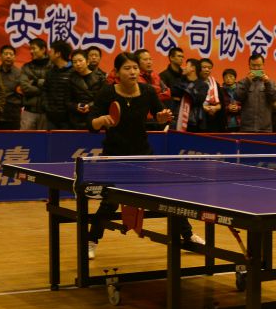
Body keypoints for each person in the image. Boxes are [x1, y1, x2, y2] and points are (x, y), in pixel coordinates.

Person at [85, 52, 202, 259]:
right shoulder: (107, 92)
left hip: (142, 155)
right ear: (117, 72)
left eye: (135, 68)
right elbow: (91, 124)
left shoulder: (147, 91)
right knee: (110, 203)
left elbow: (159, 116)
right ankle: (91, 240)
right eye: (127, 68)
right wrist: (101, 120)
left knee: (166, 196)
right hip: (115, 156)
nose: (132, 72)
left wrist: (162, 117)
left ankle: (188, 235)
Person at [234, 53, 276, 132]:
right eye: (253, 66)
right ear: (249, 66)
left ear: (263, 65)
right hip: (246, 128)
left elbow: (275, 98)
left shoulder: (270, 82)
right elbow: (237, 96)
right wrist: (247, 82)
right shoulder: (243, 82)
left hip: (265, 128)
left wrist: (267, 83)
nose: (256, 68)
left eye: (259, 65)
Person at [67, 48, 104, 129]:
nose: (78, 64)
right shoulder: (71, 79)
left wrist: (90, 106)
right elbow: (67, 101)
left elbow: (103, 100)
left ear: (87, 62)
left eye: (80, 61)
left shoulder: (100, 78)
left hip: (95, 118)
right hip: (76, 120)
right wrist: (76, 106)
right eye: (74, 62)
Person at [20, 38, 50, 130]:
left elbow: (52, 86)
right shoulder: (26, 67)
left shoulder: (53, 66)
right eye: (30, 49)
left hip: (47, 112)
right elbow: (25, 87)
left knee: (44, 139)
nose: (31, 51)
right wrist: (44, 88)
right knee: (25, 138)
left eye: (33, 48)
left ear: (43, 49)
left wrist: (35, 82)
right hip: (29, 111)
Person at [43, 40, 73, 129]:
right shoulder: (50, 72)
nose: (49, 54)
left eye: (51, 51)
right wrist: (46, 107)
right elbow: (45, 91)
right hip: (51, 118)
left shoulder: (73, 71)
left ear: (58, 54)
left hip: (68, 119)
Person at [172, 57, 208, 131]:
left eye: (186, 65)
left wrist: (187, 92)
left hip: (195, 122)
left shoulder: (203, 85)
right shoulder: (179, 81)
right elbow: (174, 92)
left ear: (193, 68)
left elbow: (199, 99)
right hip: (178, 119)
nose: (184, 68)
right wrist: (190, 93)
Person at [0, 45, 24, 129]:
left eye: (11, 54)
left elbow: (23, 94)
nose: (8, 56)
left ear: (14, 57)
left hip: (13, 115)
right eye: (6, 54)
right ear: (0, 57)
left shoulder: (20, 73)